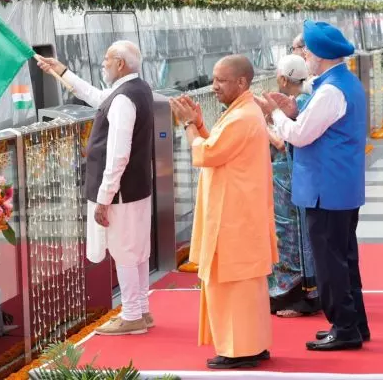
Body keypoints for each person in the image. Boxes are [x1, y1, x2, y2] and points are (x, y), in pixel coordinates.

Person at [256, 21, 369, 351]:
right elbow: (314, 123)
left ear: (320, 55)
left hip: (326, 190)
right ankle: (354, 323)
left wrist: (275, 113)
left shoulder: (331, 91)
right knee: (344, 259)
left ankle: (344, 328)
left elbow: (300, 135)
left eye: (306, 50)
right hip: (340, 187)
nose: (303, 55)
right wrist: (292, 110)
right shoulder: (342, 83)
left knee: (330, 262)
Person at [36, 41, 155, 336]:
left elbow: (118, 154)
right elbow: (96, 97)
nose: (103, 65)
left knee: (125, 251)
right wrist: (60, 71)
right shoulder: (137, 89)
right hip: (137, 187)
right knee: (137, 250)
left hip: (122, 192)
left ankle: (131, 316)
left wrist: (104, 198)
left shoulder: (124, 98)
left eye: (106, 61)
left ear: (120, 64)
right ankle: (141, 310)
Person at [170, 55, 277, 369]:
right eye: (214, 79)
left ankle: (239, 350)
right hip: (239, 214)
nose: (213, 86)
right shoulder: (241, 111)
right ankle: (250, 345)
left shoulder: (243, 116)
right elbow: (217, 144)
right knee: (243, 287)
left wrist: (189, 124)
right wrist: (201, 124)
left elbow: (207, 153)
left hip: (234, 218)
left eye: (221, 80)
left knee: (233, 286)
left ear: (241, 83)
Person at [267, 55, 320, 318]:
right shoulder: (308, 99)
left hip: (289, 182)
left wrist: (267, 120)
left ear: (283, 79)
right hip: (292, 181)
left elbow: (285, 142)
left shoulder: (299, 103)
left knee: (291, 239)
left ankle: (296, 295)